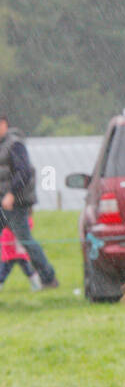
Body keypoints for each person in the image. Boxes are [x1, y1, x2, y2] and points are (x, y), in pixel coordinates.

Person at [0, 115, 58, 290]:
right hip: (2, 201)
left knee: (25, 241)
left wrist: (11, 194)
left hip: (15, 203)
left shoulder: (15, 144)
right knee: (24, 241)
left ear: (4, 125)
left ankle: (48, 277)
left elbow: (24, 172)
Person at [0, 218, 42, 290]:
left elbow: (28, 225)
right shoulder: (4, 215)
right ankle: (36, 284)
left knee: (27, 267)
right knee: (4, 269)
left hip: (18, 247)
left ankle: (37, 285)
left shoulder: (22, 214)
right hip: (8, 247)